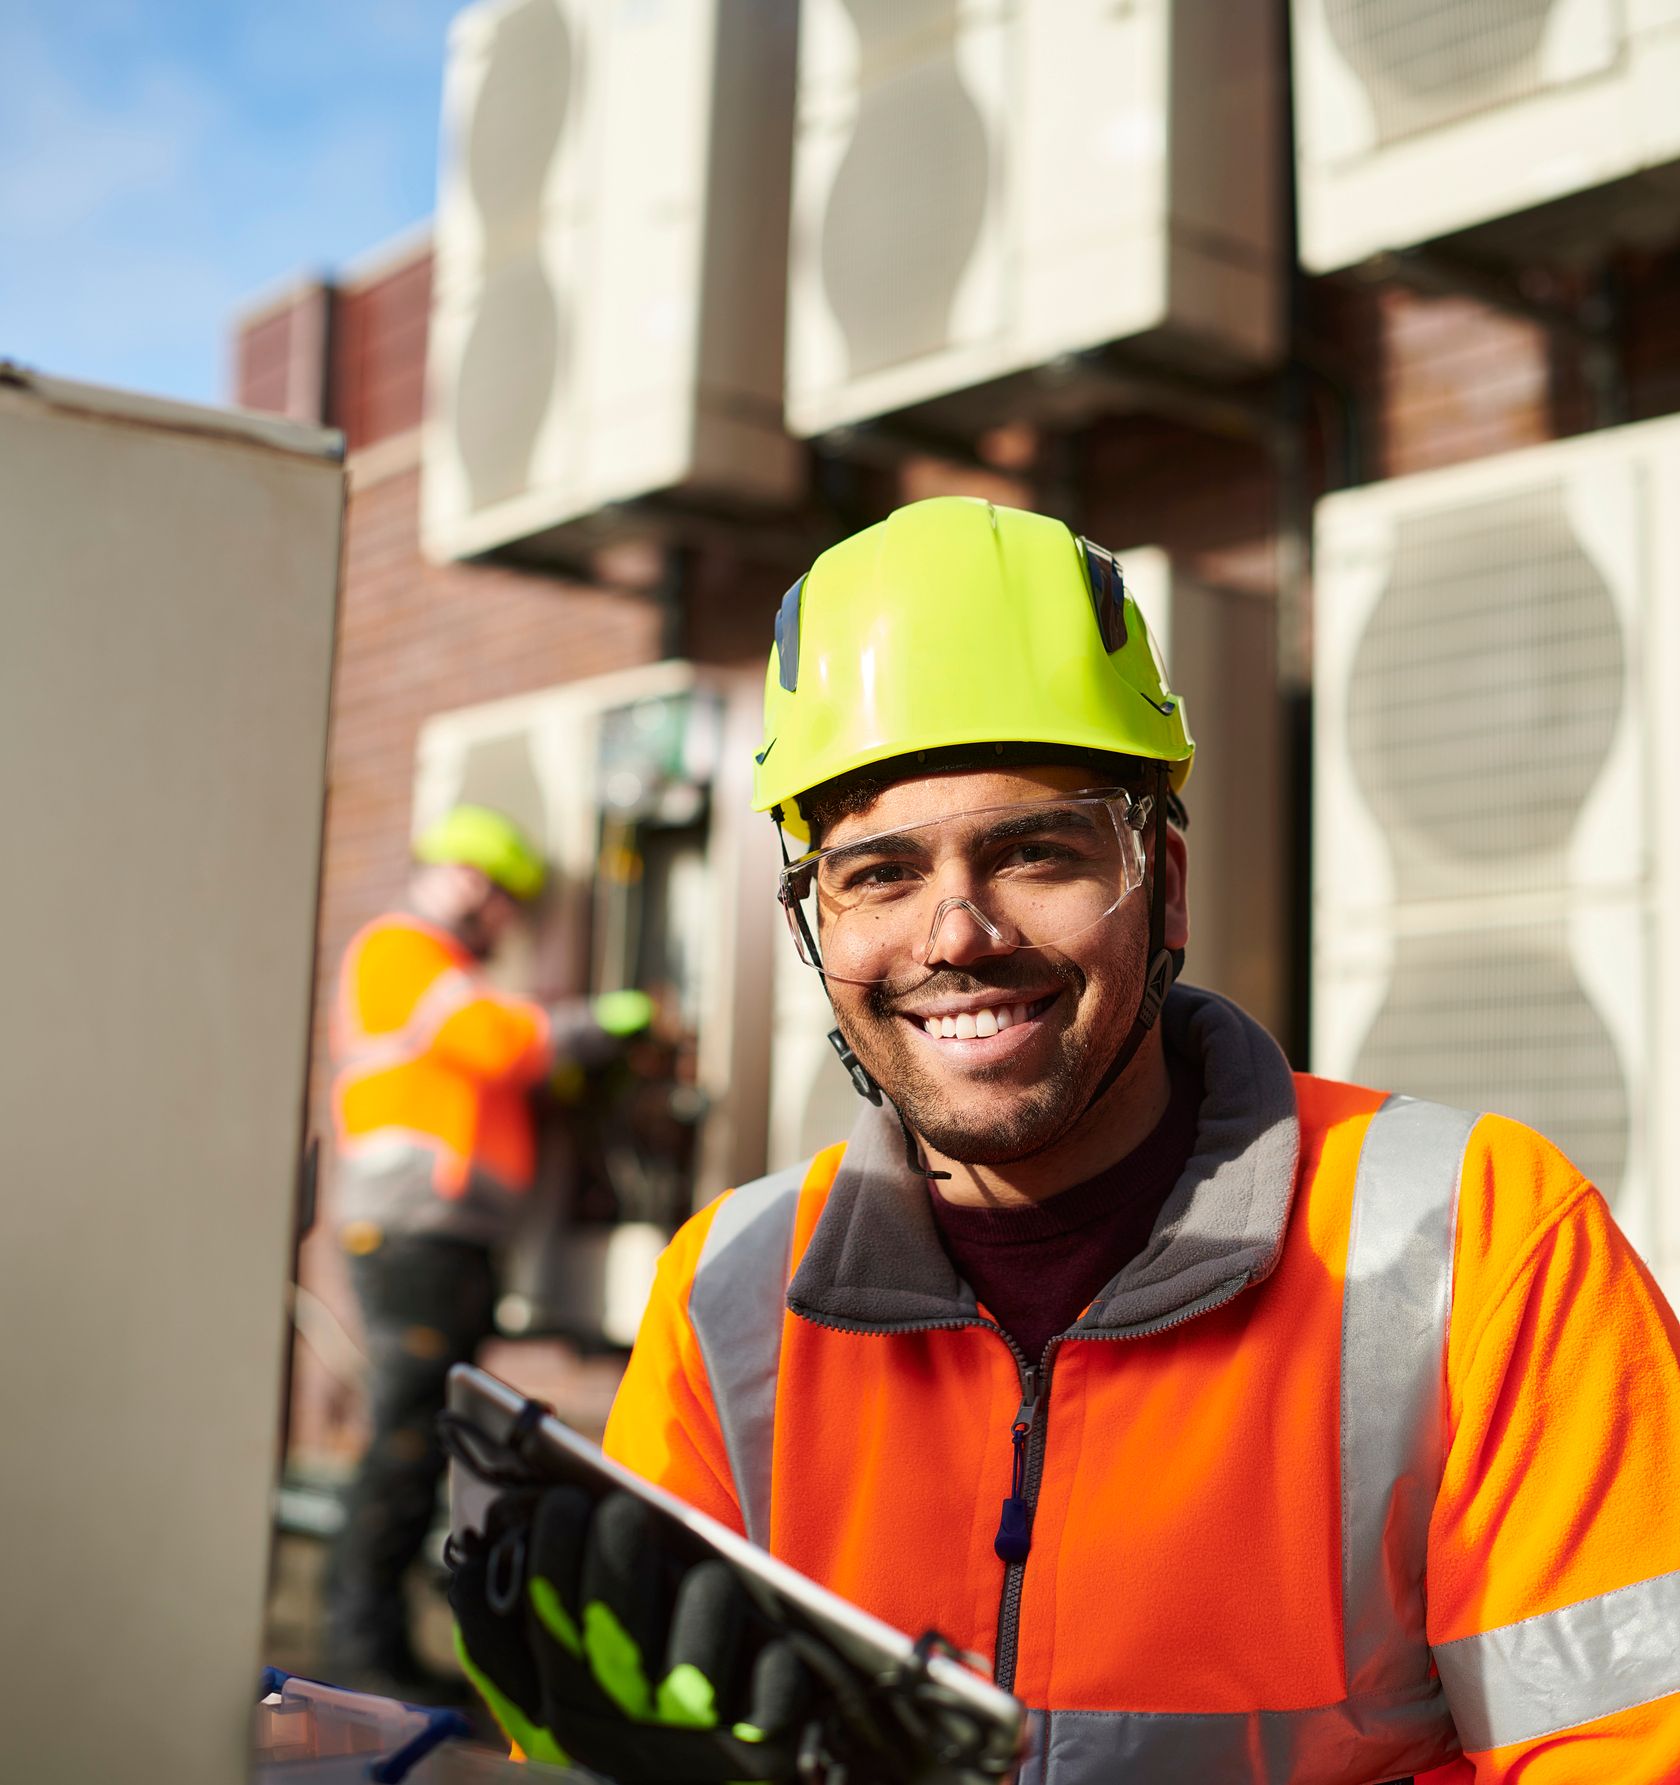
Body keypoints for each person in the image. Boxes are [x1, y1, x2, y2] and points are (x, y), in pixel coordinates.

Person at [449, 500, 1680, 1780]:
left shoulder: (1479, 1242)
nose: (956, 935)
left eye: (1035, 852)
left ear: (1168, 888)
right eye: (877, 873)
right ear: (815, 925)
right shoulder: (729, 1292)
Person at [325, 803, 653, 1696]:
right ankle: (359, 1651)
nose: (506, 919)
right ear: (470, 880)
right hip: (413, 1235)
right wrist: (602, 1025)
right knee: (402, 1441)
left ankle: (372, 1645)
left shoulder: (446, 965)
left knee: (420, 1436)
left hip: (444, 1239)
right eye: (506, 898)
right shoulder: (403, 950)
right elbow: (501, 1044)